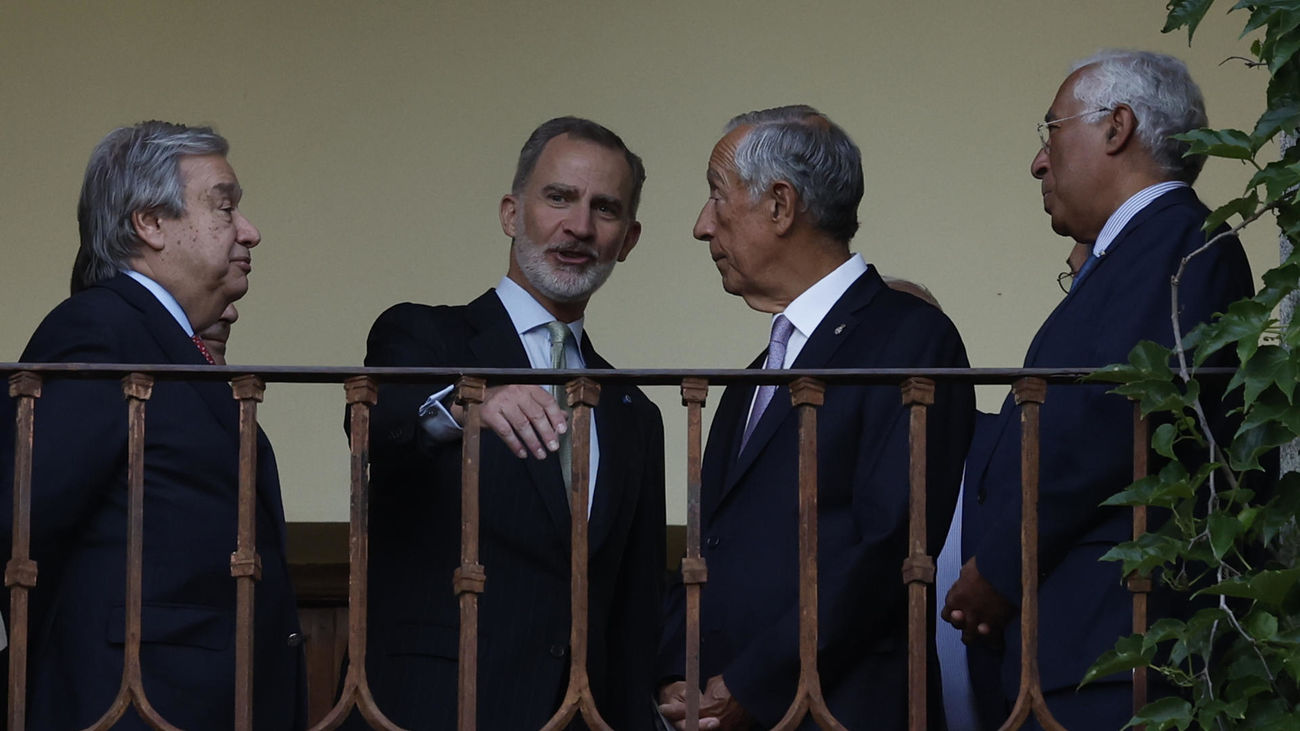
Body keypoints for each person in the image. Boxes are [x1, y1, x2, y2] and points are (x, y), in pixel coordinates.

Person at [944, 50, 1257, 728]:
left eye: (1051, 130)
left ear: (1117, 127)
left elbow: (1108, 418)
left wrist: (999, 565)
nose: (1039, 161)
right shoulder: (1143, 250)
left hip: (1114, 653)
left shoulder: (1181, 242)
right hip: (1081, 650)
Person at [657, 105, 975, 730]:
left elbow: (889, 549)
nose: (701, 225)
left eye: (717, 196)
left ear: (780, 205)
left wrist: (753, 684)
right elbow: (711, 545)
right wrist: (676, 671)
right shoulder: (757, 374)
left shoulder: (911, 339)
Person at [353, 117, 665, 730]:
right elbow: (378, 429)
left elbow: (635, 602)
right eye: (559, 197)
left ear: (627, 240)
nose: (580, 226)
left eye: (604, 209)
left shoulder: (635, 412)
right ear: (511, 213)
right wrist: (467, 403)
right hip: (433, 707)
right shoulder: (422, 335)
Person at [0, 121, 304, 728]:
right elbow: (23, 518)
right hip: (134, 703)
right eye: (225, 208)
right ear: (151, 223)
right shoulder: (100, 329)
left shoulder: (160, 338)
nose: (249, 231)